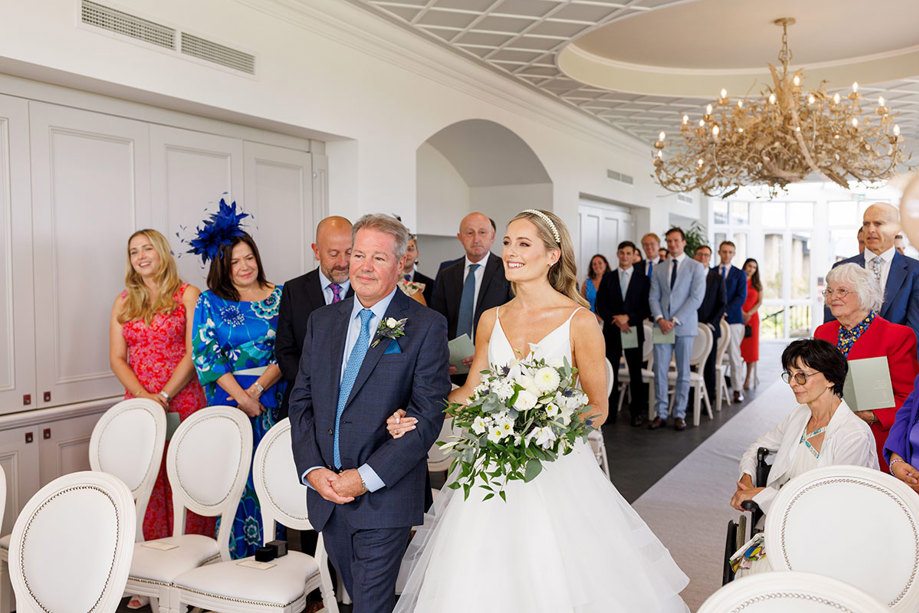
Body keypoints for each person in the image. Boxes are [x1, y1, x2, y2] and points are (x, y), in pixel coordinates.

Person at [387, 209, 689, 613]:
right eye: (508, 242)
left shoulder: (580, 321)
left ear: (552, 255)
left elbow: (597, 408)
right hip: (492, 469)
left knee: (557, 577)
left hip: (555, 468)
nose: (510, 252)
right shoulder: (491, 319)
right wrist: (419, 410)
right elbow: (471, 391)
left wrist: (544, 427)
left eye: (523, 244)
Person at [289, 214, 450, 613]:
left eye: (378, 258)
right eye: (358, 254)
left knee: (370, 604)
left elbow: (427, 416)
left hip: (384, 495)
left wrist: (362, 479)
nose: (363, 266)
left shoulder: (426, 326)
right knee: (361, 599)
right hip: (329, 494)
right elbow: (301, 401)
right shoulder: (322, 321)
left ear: (399, 265)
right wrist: (313, 471)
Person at [109, 229, 213, 611]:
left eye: (146, 248)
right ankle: (148, 578)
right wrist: (144, 398)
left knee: (185, 484)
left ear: (162, 252)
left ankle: (193, 579)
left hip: (181, 401)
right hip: (139, 408)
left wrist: (165, 396)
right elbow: (117, 358)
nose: (140, 256)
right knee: (147, 490)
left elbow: (194, 352)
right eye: (133, 251)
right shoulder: (124, 300)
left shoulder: (187, 295)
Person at [730, 339, 878, 576]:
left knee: (760, 578)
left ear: (830, 380)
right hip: (781, 523)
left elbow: (830, 505)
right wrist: (747, 479)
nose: (792, 383)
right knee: (748, 574)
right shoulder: (800, 415)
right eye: (789, 374)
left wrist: (761, 494)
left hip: (826, 536)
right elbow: (756, 447)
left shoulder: (853, 434)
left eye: (802, 376)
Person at [190, 205, 284, 560]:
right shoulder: (210, 301)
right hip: (229, 406)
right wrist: (242, 398)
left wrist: (257, 391)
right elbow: (206, 355)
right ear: (222, 267)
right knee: (236, 483)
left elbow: (288, 351)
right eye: (235, 262)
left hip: (273, 401)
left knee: (270, 481)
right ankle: (233, 567)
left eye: (250, 258)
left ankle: (273, 568)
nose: (245, 266)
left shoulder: (281, 296)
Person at [813, 264, 919, 472]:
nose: (833, 297)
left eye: (842, 291)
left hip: (873, 439)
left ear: (866, 294)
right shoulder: (822, 333)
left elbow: (909, 397)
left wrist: (872, 415)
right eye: (830, 291)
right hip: (827, 435)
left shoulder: (897, 336)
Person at [277, 216, 354, 420]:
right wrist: (314, 390)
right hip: (304, 403)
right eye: (334, 254)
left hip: (355, 406)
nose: (343, 262)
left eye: (350, 252)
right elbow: (285, 351)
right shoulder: (294, 290)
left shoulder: (369, 289)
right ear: (316, 251)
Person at [430, 211, 513, 382]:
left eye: (482, 232)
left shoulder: (507, 272)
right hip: (451, 369)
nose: (476, 239)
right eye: (469, 233)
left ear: (492, 236)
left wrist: (486, 355)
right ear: (460, 237)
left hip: (493, 369)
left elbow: (515, 322)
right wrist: (441, 358)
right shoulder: (447, 274)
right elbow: (437, 322)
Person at [825, 203, 919, 350]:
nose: (870, 230)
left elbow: (915, 327)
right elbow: (831, 323)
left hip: (897, 358)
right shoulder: (841, 269)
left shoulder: (915, 271)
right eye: (866, 224)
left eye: (878, 224)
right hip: (847, 359)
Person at [649, 227, 706, 430]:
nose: (672, 244)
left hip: (683, 326)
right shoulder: (659, 268)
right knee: (660, 371)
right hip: (661, 325)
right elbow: (653, 297)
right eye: (669, 241)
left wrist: (674, 319)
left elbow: (696, 298)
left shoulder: (695, 267)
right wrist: (660, 319)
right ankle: (661, 413)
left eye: (675, 241)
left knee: (683, 372)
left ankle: (680, 414)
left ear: (683, 242)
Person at [596, 242, 650, 426]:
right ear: (618, 254)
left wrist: (628, 317)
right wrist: (616, 318)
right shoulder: (608, 277)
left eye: (629, 253)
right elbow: (600, 305)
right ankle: (609, 413)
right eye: (622, 253)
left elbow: (646, 307)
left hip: (632, 330)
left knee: (635, 372)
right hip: (612, 331)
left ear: (634, 254)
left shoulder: (643, 279)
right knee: (611, 372)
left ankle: (637, 412)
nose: (625, 256)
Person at [695, 245, 726, 405]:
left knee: (708, 364)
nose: (703, 258)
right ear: (695, 256)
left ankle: (709, 398)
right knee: (690, 364)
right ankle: (691, 399)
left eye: (706, 255)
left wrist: (711, 324)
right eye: (700, 254)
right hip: (691, 326)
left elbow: (722, 304)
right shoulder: (689, 275)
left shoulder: (717, 278)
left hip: (710, 328)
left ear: (710, 257)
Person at [718, 241, 748, 402]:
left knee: (734, 355)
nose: (727, 255)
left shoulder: (739, 274)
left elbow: (741, 297)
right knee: (713, 356)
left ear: (734, 254)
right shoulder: (712, 271)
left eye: (730, 252)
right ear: (719, 252)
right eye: (724, 251)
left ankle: (737, 389)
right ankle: (715, 388)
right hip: (715, 321)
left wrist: (725, 312)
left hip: (733, 320)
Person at [741, 258, 763, 388]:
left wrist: (749, 313)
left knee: (751, 350)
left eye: (754, 267)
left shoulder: (757, 284)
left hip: (752, 319)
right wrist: (741, 313)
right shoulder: (739, 280)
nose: (751, 269)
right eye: (749, 266)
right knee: (738, 349)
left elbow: (759, 302)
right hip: (738, 316)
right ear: (745, 266)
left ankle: (748, 378)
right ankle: (737, 377)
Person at [401, 234, 434, 305]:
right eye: (403, 250)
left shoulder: (430, 284)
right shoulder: (388, 282)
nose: (406, 254)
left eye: (410, 249)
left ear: (417, 253)